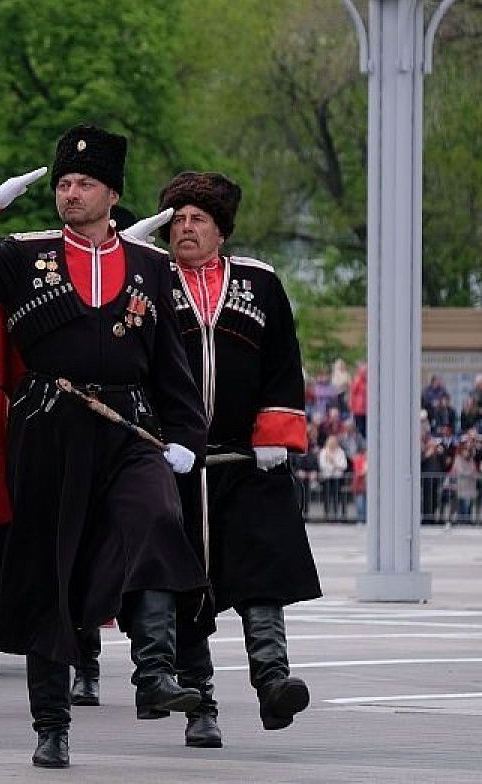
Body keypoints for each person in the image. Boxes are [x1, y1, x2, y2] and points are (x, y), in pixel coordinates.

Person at [0, 124, 210, 769]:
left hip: (130, 425)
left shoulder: (152, 267)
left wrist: (187, 437)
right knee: (52, 571)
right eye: (65, 183)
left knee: (157, 517)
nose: (71, 194)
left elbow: (169, 366)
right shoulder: (23, 255)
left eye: (85, 184)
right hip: (51, 426)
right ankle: (51, 723)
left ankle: (153, 670)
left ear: (112, 194)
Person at [161, 170, 322, 747]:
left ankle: (273, 683)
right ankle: (198, 704)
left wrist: (275, 432)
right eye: (177, 220)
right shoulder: (151, 281)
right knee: (184, 585)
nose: (186, 228)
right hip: (176, 464)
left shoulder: (259, 283)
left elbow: (283, 359)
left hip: (249, 460)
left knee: (261, 574)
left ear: (220, 230)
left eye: (197, 219)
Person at [318, 435, 348, 518]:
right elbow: (322, 465)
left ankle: (336, 514)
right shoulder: (323, 452)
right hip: (327, 478)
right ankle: (327, 514)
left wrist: (333, 462)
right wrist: (334, 467)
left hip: (337, 478)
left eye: (334, 442)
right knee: (327, 496)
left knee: (336, 496)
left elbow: (344, 465)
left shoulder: (340, 452)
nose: (333, 443)